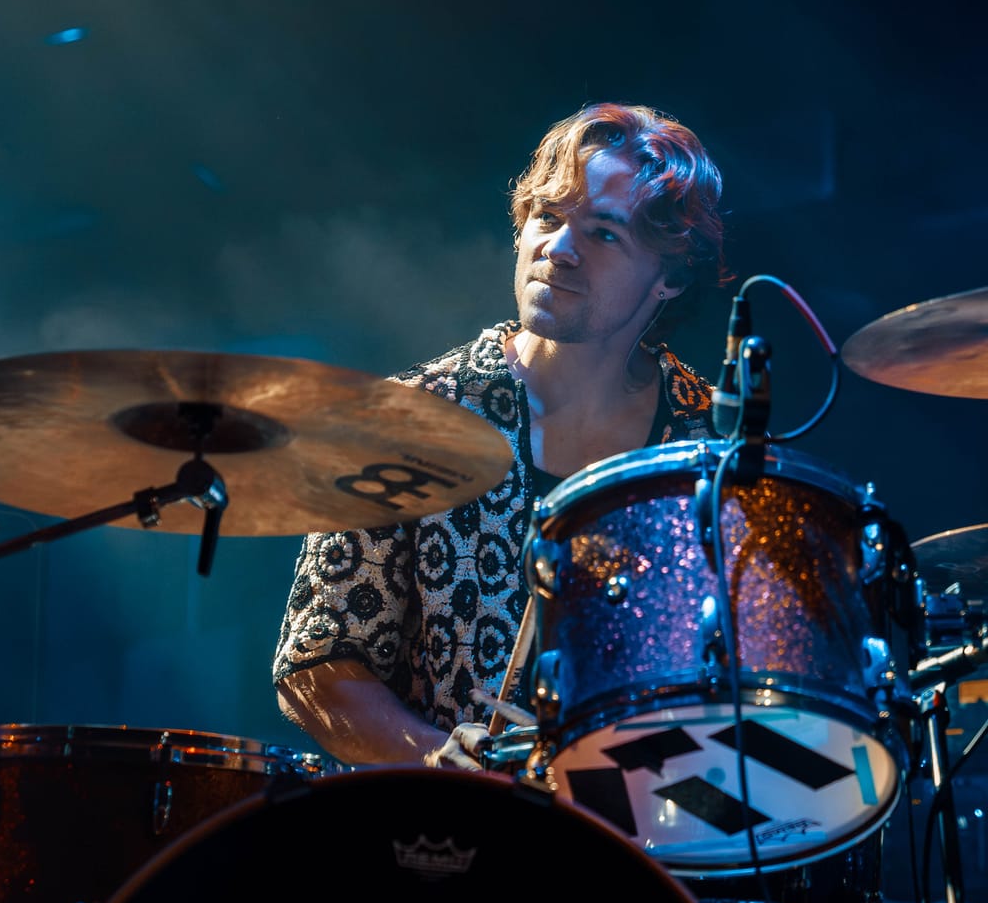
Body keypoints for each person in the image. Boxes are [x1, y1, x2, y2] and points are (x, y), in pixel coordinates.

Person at [272, 101, 729, 769]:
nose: (559, 249)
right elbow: (316, 665)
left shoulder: (713, 446)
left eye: (603, 234)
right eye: (547, 216)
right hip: (449, 827)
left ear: (671, 277)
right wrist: (435, 758)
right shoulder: (403, 421)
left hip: (645, 822)